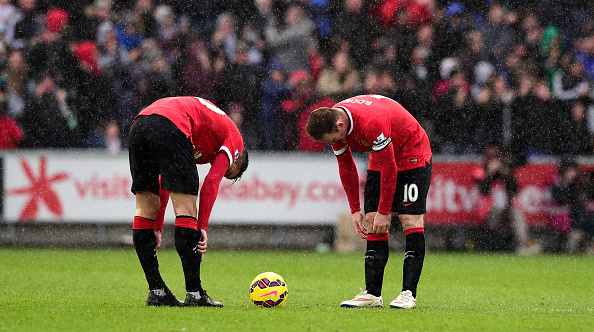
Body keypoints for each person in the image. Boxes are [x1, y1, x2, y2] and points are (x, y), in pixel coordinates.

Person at [305, 94, 432, 309]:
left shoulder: (372, 122)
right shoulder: (335, 120)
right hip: (381, 154)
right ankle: (372, 294)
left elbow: (390, 168)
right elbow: (346, 166)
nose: (334, 143)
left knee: (410, 220)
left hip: (412, 154)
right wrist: (355, 209)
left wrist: (385, 211)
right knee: (371, 220)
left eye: (334, 139)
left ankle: (408, 293)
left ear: (340, 124)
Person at [128, 96, 249, 307]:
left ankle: (157, 291)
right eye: (229, 169)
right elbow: (211, 182)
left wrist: (157, 227)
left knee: (146, 207)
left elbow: (165, 180)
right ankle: (194, 293)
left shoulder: (202, 142)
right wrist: (202, 227)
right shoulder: (235, 139)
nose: (220, 167)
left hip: (140, 123)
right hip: (171, 122)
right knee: (186, 208)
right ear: (237, 157)